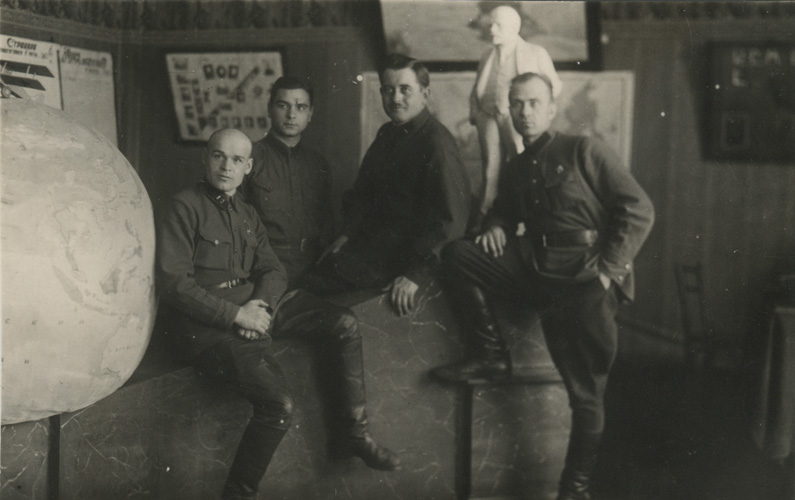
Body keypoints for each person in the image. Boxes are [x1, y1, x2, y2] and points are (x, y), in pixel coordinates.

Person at [434, 73, 655, 500]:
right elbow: (504, 209)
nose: (525, 112)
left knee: (585, 394)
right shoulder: (517, 167)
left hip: (585, 281)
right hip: (540, 276)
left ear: (552, 108)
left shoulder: (582, 150)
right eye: (517, 104)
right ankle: (491, 355)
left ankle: (575, 489)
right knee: (460, 255)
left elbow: (639, 209)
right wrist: (497, 225)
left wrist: (608, 272)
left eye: (534, 103)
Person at [156, 129, 400, 500]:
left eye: (237, 160)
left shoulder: (246, 213)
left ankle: (354, 434)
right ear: (205, 159)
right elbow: (174, 284)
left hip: (253, 304)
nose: (226, 167)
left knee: (344, 322)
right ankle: (238, 494)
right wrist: (236, 316)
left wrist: (262, 306)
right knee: (279, 405)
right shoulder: (184, 207)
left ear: (248, 167)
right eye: (218, 156)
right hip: (206, 325)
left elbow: (273, 270)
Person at [300, 53, 471, 317]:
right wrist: (346, 234)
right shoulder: (387, 133)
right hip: (370, 249)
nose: (395, 98)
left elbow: (449, 222)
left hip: (403, 260)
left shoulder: (437, 143)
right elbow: (362, 194)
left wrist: (415, 275)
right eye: (388, 90)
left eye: (405, 90)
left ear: (425, 94)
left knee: (313, 298)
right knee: (306, 283)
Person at [470, 5, 562, 224]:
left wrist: (534, 108)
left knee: (524, 166)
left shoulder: (536, 53)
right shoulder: (487, 55)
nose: (492, 29)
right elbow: (477, 87)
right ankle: (487, 218)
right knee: (490, 168)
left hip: (517, 118)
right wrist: (475, 112)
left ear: (514, 27)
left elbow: (555, 86)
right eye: (491, 24)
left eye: (498, 25)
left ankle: (524, 218)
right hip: (488, 116)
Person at [243, 76, 335, 285]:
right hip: (263, 269)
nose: (291, 115)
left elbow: (327, 224)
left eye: (301, 107)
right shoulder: (249, 158)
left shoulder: (318, 163)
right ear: (269, 109)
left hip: (313, 270)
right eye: (283, 105)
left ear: (310, 114)